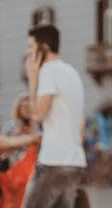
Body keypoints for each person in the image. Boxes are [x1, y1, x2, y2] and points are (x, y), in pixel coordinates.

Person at [23, 23, 88, 208]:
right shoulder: (72, 73)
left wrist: (32, 77)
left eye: (31, 47)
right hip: (75, 161)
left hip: (54, 161)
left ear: (43, 48)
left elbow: (37, 115)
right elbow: (82, 121)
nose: (28, 54)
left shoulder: (49, 71)